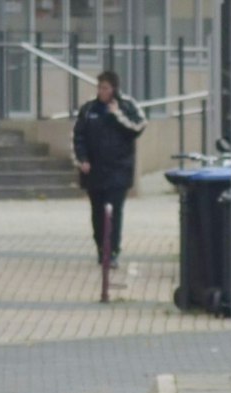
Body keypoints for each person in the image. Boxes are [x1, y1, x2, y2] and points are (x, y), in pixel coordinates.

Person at [72, 71, 146, 267]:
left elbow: (138, 127)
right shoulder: (89, 109)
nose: (101, 91)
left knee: (114, 211)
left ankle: (112, 250)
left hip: (118, 170)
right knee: (97, 212)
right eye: (99, 87)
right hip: (95, 172)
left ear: (114, 89)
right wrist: (82, 159)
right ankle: (100, 248)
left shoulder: (126, 105)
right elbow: (78, 136)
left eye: (105, 88)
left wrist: (117, 115)